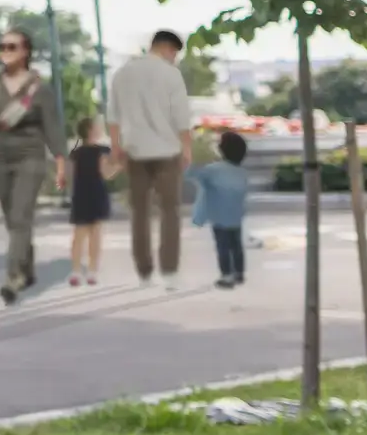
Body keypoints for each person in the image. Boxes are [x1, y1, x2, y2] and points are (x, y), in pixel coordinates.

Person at [0, 29, 68, 306]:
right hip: (1, 156)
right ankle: (27, 268)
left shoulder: (39, 90)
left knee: (20, 216)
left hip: (30, 155)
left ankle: (13, 276)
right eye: (2, 46)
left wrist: (61, 161)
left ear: (25, 52)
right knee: (12, 219)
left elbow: (53, 128)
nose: (5, 50)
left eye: (12, 46)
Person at [110, 28, 199, 285]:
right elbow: (181, 116)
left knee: (139, 212)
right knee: (169, 212)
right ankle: (169, 271)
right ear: (168, 49)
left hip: (134, 152)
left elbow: (113, 116)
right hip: (167, 152)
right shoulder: (171, 75)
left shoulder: (123, 74)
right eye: (175, 54)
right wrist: (187, 148)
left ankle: (144, 271)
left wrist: (116, 147)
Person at [192, 130, 253, 288]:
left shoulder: (213, 169)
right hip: (236, 215)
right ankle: (239, 273)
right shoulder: (242, 172)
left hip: (219, 215)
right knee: (236, 245)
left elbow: (193, 175)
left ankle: (226, 275)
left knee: (223, 246)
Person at [66, 115, 118, 286]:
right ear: (91, 130)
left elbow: (69, 175)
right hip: (96, 194)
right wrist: (120, 166)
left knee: (78, 235)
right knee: (95, 235)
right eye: (97, 125)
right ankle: (92, 272)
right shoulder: (101, 151)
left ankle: (75, 272)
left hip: (80, 195)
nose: (100, 127)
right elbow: (106, 173)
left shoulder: (75, 153)